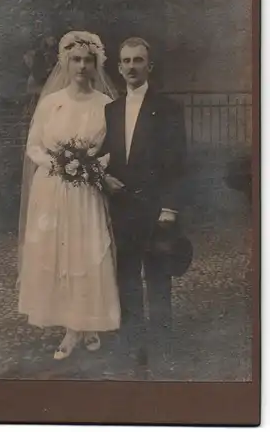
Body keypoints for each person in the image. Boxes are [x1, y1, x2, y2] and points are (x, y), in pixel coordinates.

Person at [17, 31, 120, 360]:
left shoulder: (106, 105)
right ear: (65, 62)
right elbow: (33, 145)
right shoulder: (52, 103)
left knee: (87, 254)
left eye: (87, 60)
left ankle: (85, 325)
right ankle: (69, 326)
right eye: (75, 59)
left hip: (87, 191)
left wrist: (92, 167)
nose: (81, 65)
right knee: (59, 255)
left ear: (96, 64)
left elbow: (114, 150)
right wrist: (60, 165)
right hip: (53, 190)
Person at [102, 37, 187, 368]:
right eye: (126, 61)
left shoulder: (168, 109)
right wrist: (104, 178)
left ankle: (163, 346)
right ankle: (133, 345)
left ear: (149, 66)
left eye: (139, 60)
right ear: (119, 67)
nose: (132, 67)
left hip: (155, 208)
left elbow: (178, 162)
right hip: (122, 206)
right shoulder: (111, 110)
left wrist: (169, 207)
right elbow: (105, 157)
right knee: (126, 277)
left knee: (158, 278)